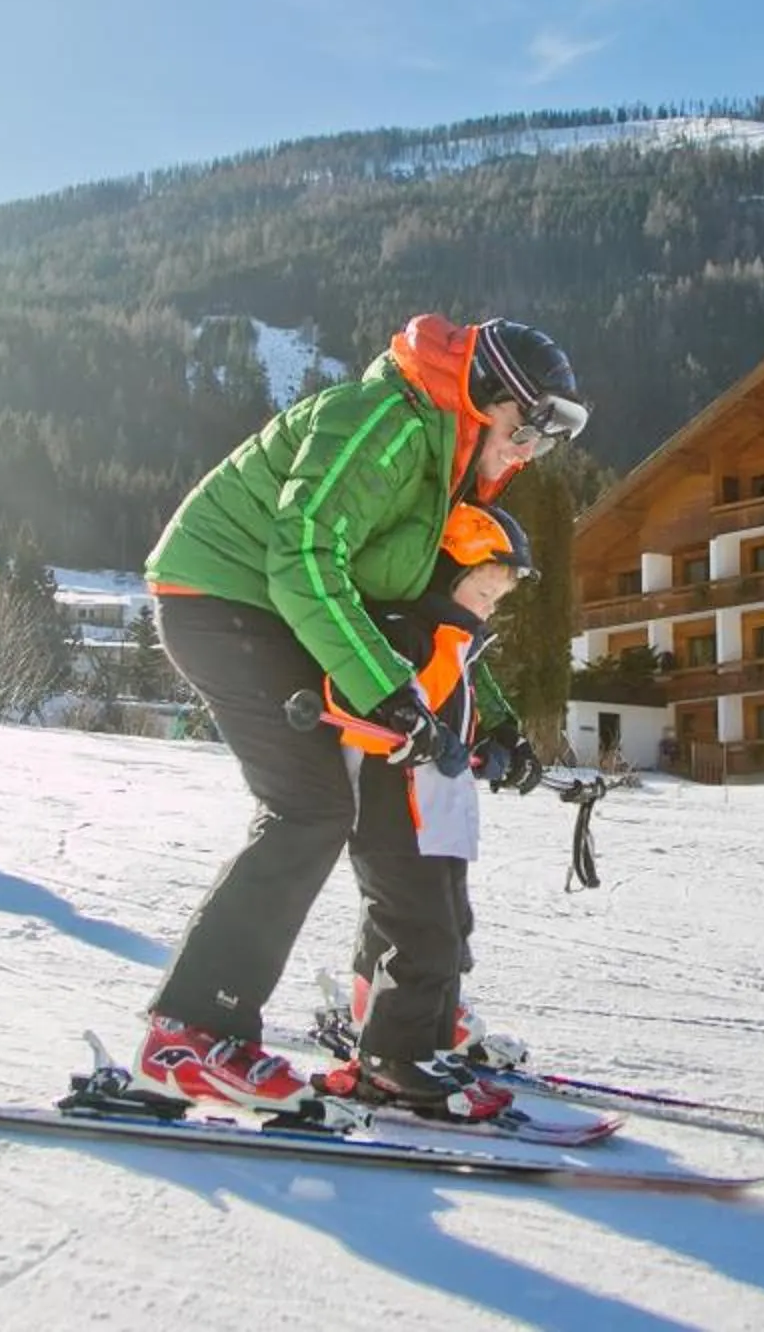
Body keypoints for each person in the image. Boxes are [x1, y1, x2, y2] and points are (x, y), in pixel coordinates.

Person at [132, 313, 583, 1112]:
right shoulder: (386, 421)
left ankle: (396, 1024)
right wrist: (383, 691)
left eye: (543, 443)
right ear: (484, 398)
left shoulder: (439, 471)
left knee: (373, 804)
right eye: (525, 429)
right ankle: (190, 1034)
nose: (526, 453)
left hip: (281, 612)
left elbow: (427, 626)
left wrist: (493, 719)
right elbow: (302, 555)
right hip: (223, 598)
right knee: (309, 807)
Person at [312, 503, 547, 1119]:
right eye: (485, 590)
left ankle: (428, 1046)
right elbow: (362, 705)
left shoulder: (457, 640)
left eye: (499, 595)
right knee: (419, 935)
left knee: (449, 931)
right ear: (446, 580)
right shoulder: (404, 632)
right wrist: (422, 734)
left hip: (437, 815)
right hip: (394, 811)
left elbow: (453, 720)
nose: (493, 604)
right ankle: (393, 1059)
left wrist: (494, 745)